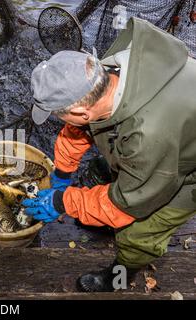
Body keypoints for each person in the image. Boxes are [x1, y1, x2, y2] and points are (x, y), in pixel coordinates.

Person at [23, 17, 196, 292]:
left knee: (137, 233)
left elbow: (126, 205)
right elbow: (80, 128)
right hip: (163, 147)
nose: (60, 120)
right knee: (110, 179)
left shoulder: (147, 138)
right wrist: (63, 173)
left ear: (81, 112)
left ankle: (119, 276)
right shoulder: (108, 69)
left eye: (58, 114)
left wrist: (63, 201)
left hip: (184, 169)